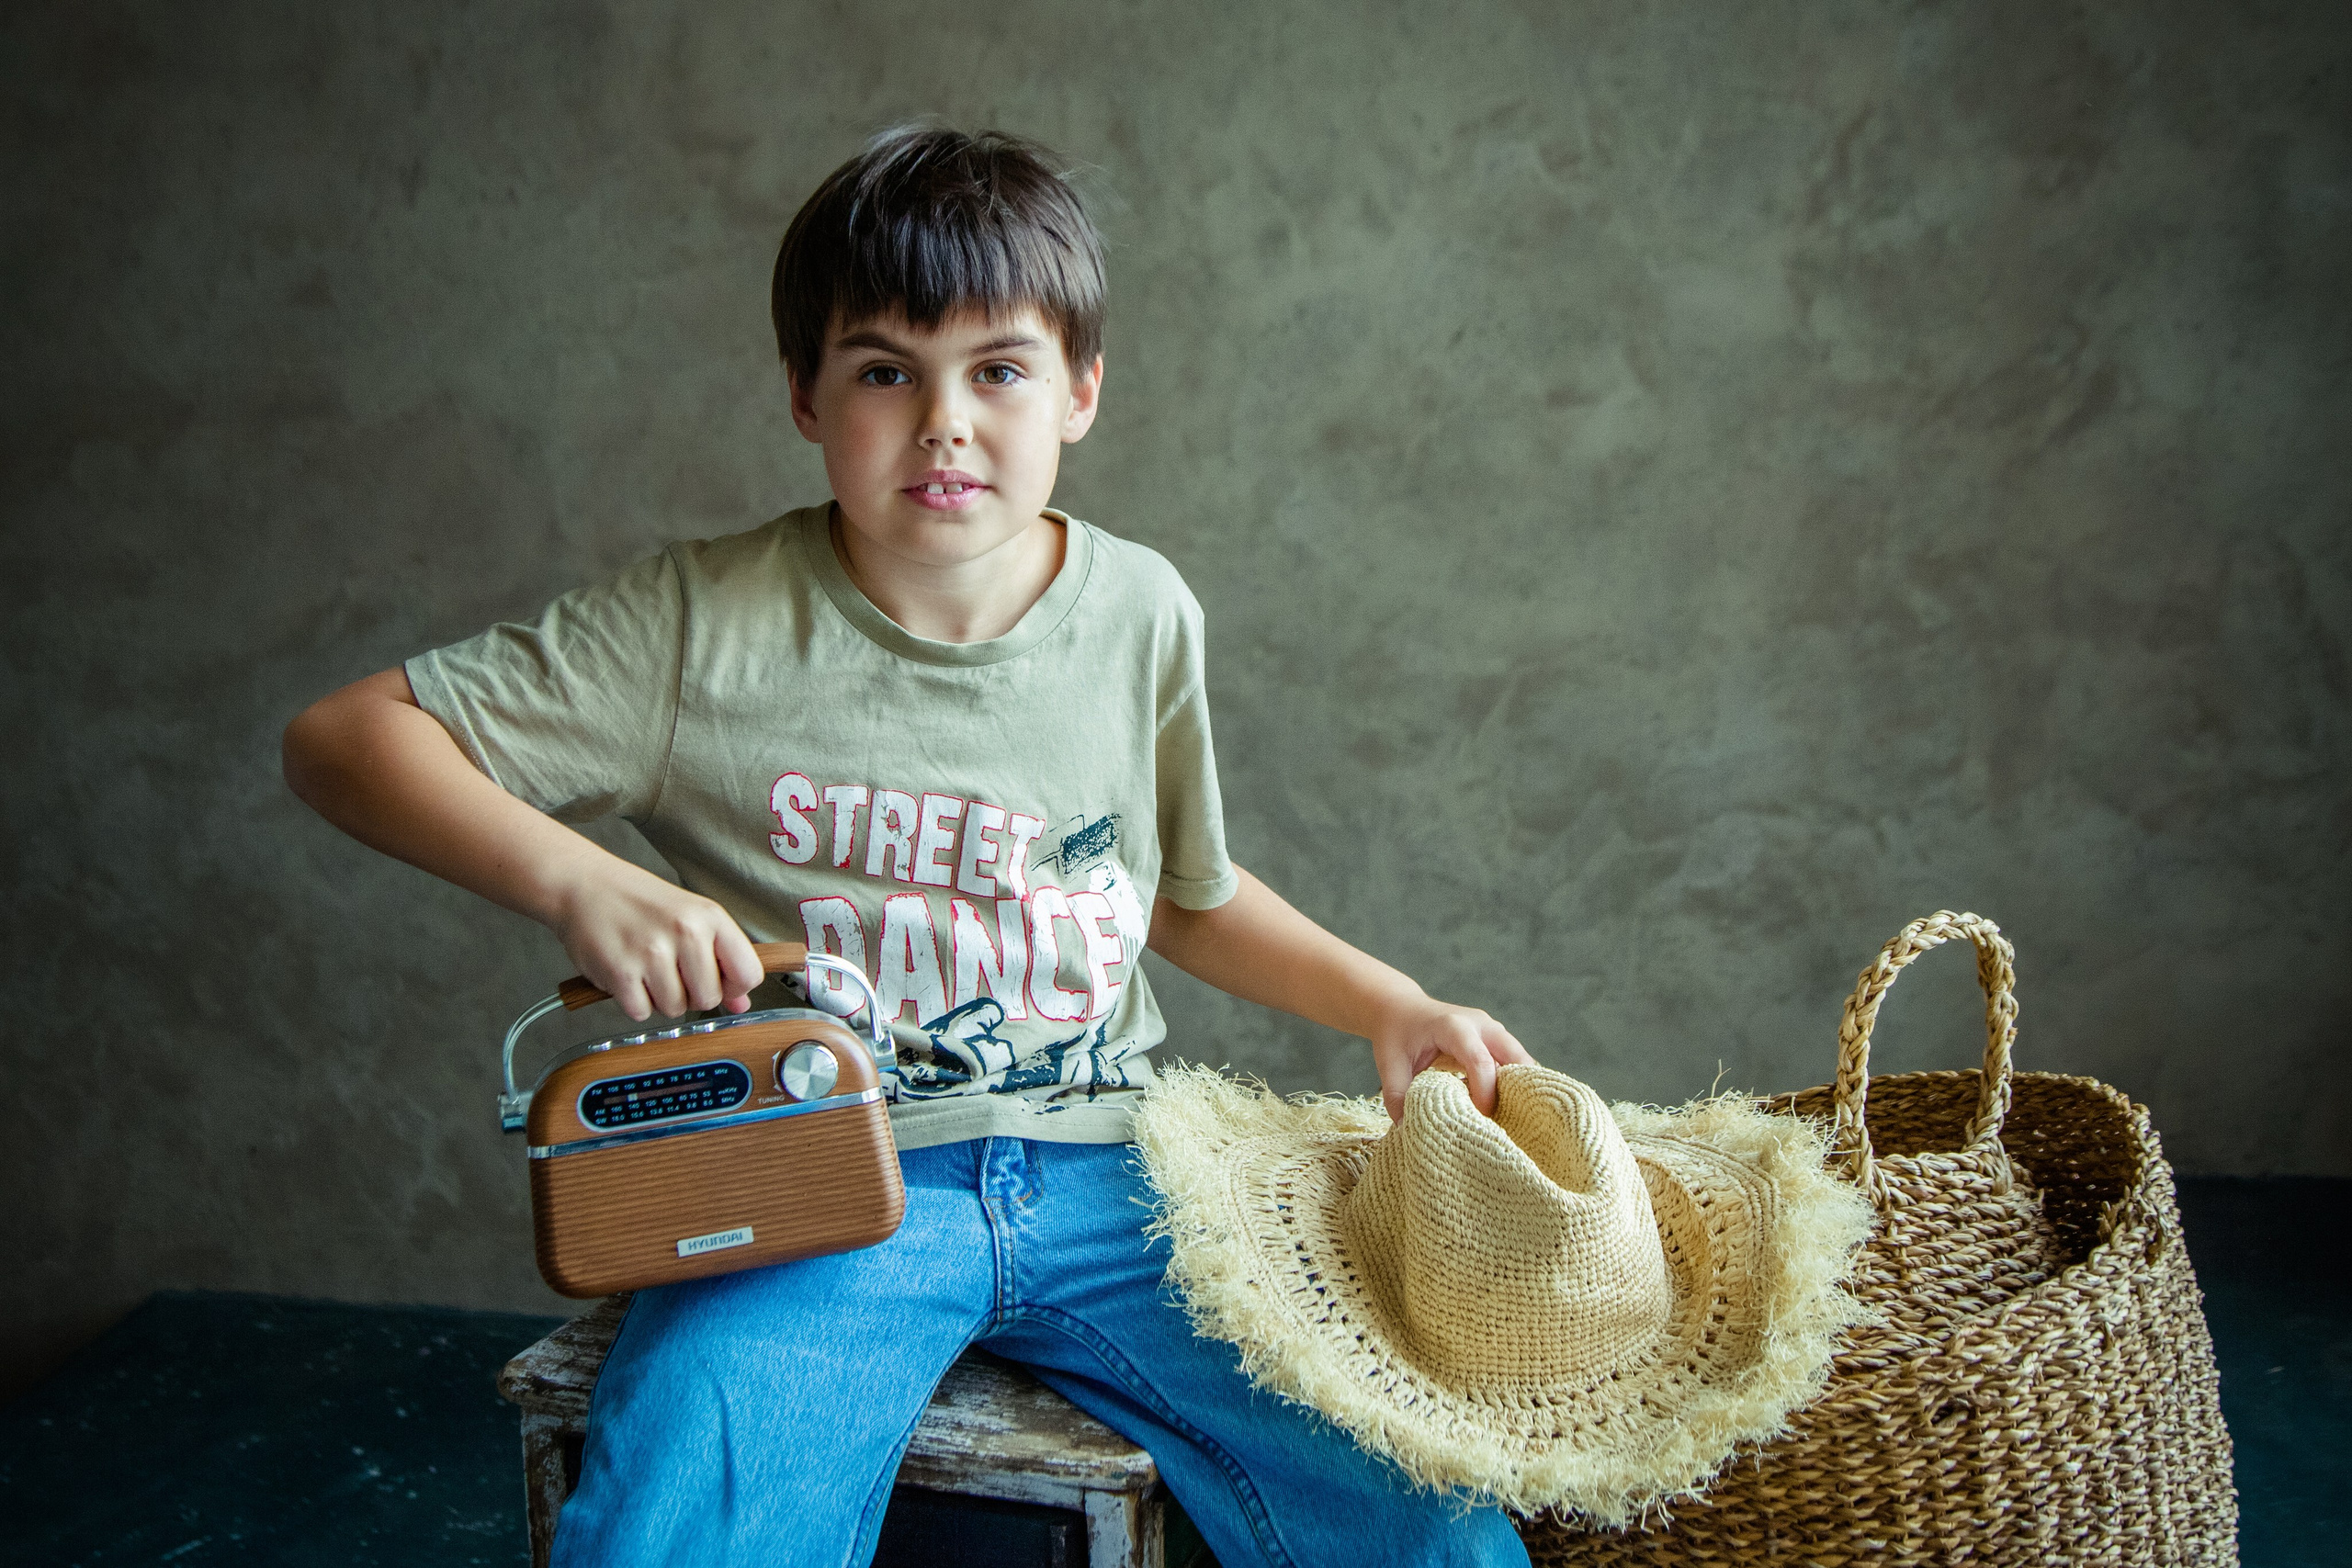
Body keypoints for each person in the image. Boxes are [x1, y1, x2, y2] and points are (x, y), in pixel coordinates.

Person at [283, 125, 1535, 1568]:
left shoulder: (1142, 613)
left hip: (1119, 1182)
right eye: (885, 370)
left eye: (997, 368)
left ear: (1080, 390)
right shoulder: (700, 628)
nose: (945, 421)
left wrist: (1392, 1003)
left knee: (1412, 1504)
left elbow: (1180, 899)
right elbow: (343, 739)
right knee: (687, 1515)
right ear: (805, 399)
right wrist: (585, 882)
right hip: (809, 1177)